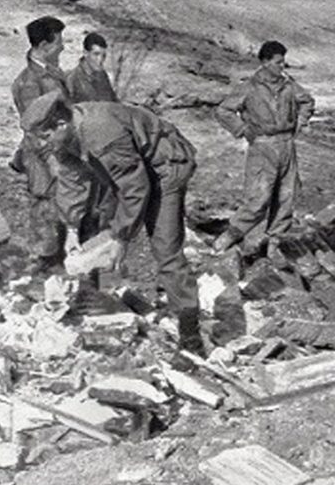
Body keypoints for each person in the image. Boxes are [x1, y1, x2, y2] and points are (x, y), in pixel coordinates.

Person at [20, 92, 203, 353]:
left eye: (45, 136)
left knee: (164, 245)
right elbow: (73, 183)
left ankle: (190, 332)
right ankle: (101, 299)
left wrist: (122, 239)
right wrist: (71, 228)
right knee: (103, 218)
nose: (43, 143)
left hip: (164, 167)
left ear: (61, 124)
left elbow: (136, 188)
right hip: (126, 167)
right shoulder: (64, 138)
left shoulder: (101, 131)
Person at [213, 41, 315, 255]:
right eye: (278, 62)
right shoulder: (249, 87)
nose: (282, 66)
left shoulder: (288, 85)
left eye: (283, 62)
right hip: (262, 147)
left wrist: (300, 122)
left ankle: (274, 243)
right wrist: (242, 129)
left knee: (287, 196)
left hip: (287, 145)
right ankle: (230, 237)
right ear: (265, 62)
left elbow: (307, 101)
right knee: (258, 198)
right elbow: (224, 111)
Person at [11, 16, 69, 270]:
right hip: (41, 155)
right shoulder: (28, 83)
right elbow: (34, 129)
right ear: (45, 45)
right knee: (44, 204)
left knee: (61, 205)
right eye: (59, 42)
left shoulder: (51, 72)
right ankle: (44, 263)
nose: (63, 47)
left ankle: (58, 258)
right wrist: (52, 159)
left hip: (59, 149)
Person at [66, 32, 119, 103]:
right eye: (96, 54)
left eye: (103, 55)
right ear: (85, 53)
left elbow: (113, 102)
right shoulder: (72, 79)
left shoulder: (102, 76)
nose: (100, 60)